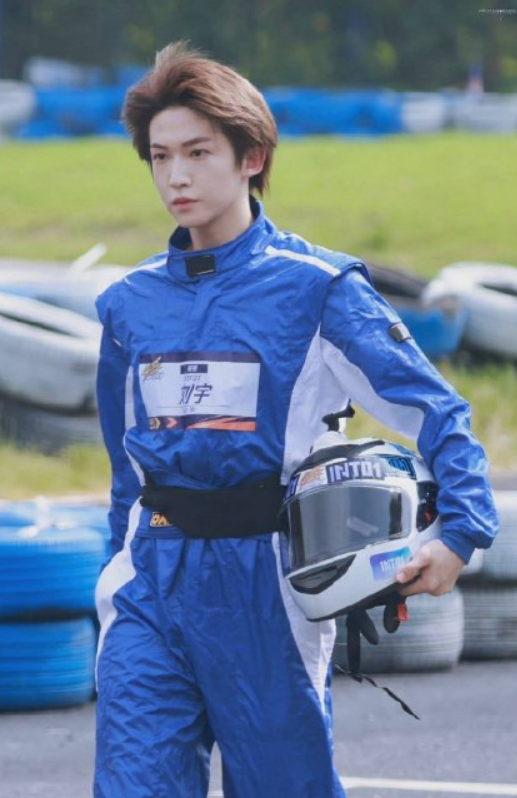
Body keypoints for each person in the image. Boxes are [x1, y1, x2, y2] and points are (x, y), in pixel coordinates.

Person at [94, 41, 498, 798]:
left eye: (198, 153)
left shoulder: (319, 290)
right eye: (160, 157)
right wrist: (116, 566)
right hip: (150, 581)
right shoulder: (127, 304)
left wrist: (461, 533)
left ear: (250, 157)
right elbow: (125, 465)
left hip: (268, 590)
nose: (176, 176)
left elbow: (434, 408)